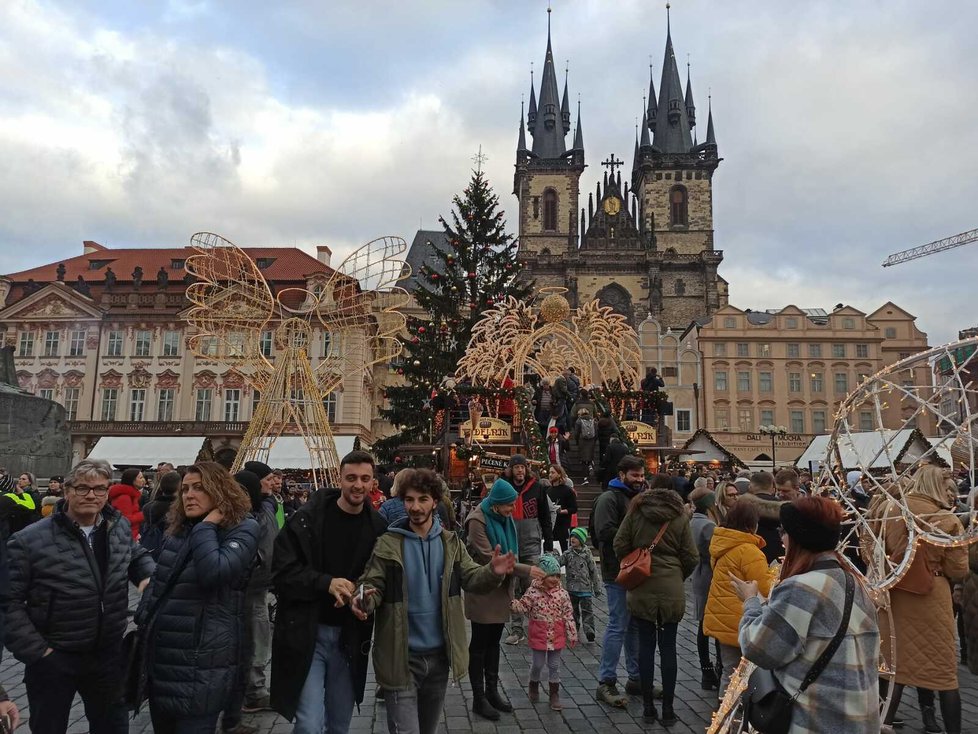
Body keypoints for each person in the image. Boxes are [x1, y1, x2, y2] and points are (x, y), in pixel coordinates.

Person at [353, 468, 516, 734]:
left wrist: (492, 572)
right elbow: (371, 585)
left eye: (423, 499)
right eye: (409, 500)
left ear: (435, 502)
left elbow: (472, 578)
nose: (415, 507)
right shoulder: (388, 544)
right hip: (401, 658)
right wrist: (363, 599)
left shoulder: (451, 544)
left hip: (439, 659)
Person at [6, 458, 155, 734]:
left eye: (99, 489)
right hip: (54, 656)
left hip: (108, 653)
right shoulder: (29, 540)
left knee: (113, 726)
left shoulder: (116, 525)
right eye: (83, 488)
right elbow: (7, 603)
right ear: (67, 490)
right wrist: (38, 652)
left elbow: (135, 555)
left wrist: (145, 575)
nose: (91, 495)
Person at [733, 496, 881, 733]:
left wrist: (751, 602)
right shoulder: (855, 582)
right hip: (858, 719)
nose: (782, 538)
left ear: (798, 538)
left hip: (818, 720)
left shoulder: (802, 588)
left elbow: (758, 648)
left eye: (785, 531)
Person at [270, 450, 388, 733]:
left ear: (373, 482)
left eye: (364, 478)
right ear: (339, 478)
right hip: (308, 633)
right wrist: (325, 582)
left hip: (350, 638)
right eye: (351, 478)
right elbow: (281, 574)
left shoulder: (378, 527)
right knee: (309, 724)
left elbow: (378, 579)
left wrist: (363, 598)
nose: (357, 485)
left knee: (339, 723)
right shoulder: (306, 520)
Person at [878, 465, 968, 733]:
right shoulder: (945, 519)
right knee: (943, 674)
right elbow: (959, 569)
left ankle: (882, 724)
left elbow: (873, 546)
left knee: (895, 669)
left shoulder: (890, 511)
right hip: (930, 597)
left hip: (894, 593)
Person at [613, 482, 698, 725]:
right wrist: (676, 574)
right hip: (671, 585)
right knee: (669, 646)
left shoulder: (636, 512)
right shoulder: (679, 516)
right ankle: (669, 709)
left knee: (646, 646)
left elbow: (619, 544)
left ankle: (648, 707)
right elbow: (691, 556)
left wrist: (635, 563)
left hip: (642, 584)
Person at [464, 478, 545, 721]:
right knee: (480, 643)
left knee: (494, 642)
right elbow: (492, 559)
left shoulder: (504, 517)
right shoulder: (477, 521)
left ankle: (492, 692)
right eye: (509, 506)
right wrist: (526, 570)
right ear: (497, 505)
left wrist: (518, 570)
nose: (512, 510)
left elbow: (513, 548)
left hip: (502, 589)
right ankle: (479, 698)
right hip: (483, 587)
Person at [703, 501, 773, 697]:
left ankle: (722, 713)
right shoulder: (749, 551)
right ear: (752, 524)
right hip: (741, 618)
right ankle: (734, 717)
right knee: (743, 674)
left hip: (722, 616)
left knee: (729, 671)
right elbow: (765, 587)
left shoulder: (722, 543)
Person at [592, 455, 645, 707]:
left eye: (642, 475)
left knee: (633, 624)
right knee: (617, 624)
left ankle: (635, 678)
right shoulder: (609, 498)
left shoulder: (639, 497)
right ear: (621, 474)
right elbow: (604, 532)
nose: (639, 480)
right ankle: (606, 680)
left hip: (637, 570)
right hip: (617, 570)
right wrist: (637, 535)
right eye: (635, 475)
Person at [231, 469, 281, 718]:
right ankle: (253, 691)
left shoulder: (265, 506)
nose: (272, 482)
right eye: (267, 478)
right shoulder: (250, 514)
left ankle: (252, 689)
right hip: (253, 584)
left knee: (258, 635)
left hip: (261, 582)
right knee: (256, 637)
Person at [510, 554, 577, 711]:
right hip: (539, 633)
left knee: (554, 665)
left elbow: (568, 614)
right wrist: (515, 605)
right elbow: (524, 606)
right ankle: (533, 684)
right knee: (538, 664)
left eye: (557, 575)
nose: (554, 579)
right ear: (542, 576)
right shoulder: (532, 592)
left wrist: (572, 632)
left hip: (556, 634)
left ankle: (554, 694)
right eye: (550, 575)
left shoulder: (562, 594)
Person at [503, 455, 553, 645]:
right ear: (511, 470)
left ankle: (537, 627)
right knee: (513, 587)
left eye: (522, 467)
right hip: (510, 545)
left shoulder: (537, 488)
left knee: (533, 586)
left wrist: (548, 542)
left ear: (526, 469)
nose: (520, 471)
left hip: (532, 542)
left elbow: (545, 517)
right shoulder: (504, 487)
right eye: (516, 467)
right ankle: (517, 629)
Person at [688, 483, 720, 691]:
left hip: (698, 576)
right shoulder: (708, 526)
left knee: (703, 624)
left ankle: (707, 669)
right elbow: (713, 553)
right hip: (708, 575)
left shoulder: (692, 522)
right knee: (710, 625)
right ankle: (710, 669)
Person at [560, 527, 602, 642]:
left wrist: (597, 587)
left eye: (576, 537)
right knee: (572, 612)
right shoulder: (568, 553)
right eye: (571, 537)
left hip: (585, 588)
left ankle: (589, 631)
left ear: (581, 540)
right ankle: (573, 629)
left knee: (587, 611)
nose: (572, 539)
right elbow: (559, 562)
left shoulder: (587, 554)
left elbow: (593, 570)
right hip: (572, 589)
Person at [738, 471, 784, 563]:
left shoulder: (742, 505)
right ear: (772, 486)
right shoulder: (782, 507)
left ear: (751, 486)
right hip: (778, 552)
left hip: (750, 552)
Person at [141, 470, 181, 560]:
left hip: (149, 552)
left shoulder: (148, 508)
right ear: (179, 487)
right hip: (170, 555)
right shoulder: (179, 511)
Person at [109, 467, 146, 540]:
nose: (143, 480)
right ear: (133, 480)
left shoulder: (131, 495)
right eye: (140, 478)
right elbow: (126, 520)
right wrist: (143, 514)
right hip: (126, 537)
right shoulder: (125, 497)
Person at [546, 465, 576, 550]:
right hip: (550, 528)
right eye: (549, 472)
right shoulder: (548, 490)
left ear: (559, 474)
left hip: (562, 527)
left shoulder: (567, 491)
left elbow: (574, 508)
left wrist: (561, 511)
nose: (550, 475)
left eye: (553, 472)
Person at [573, 408, 598, 480]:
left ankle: (585, 478)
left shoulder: (579, 421)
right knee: (590, 456)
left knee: (583, 458)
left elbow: (576, 432)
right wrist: (594, 440)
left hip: (582, 440)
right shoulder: (593, 420)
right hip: (591, 440)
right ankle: (590, 466)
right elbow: (596, 431)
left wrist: (577, 440)